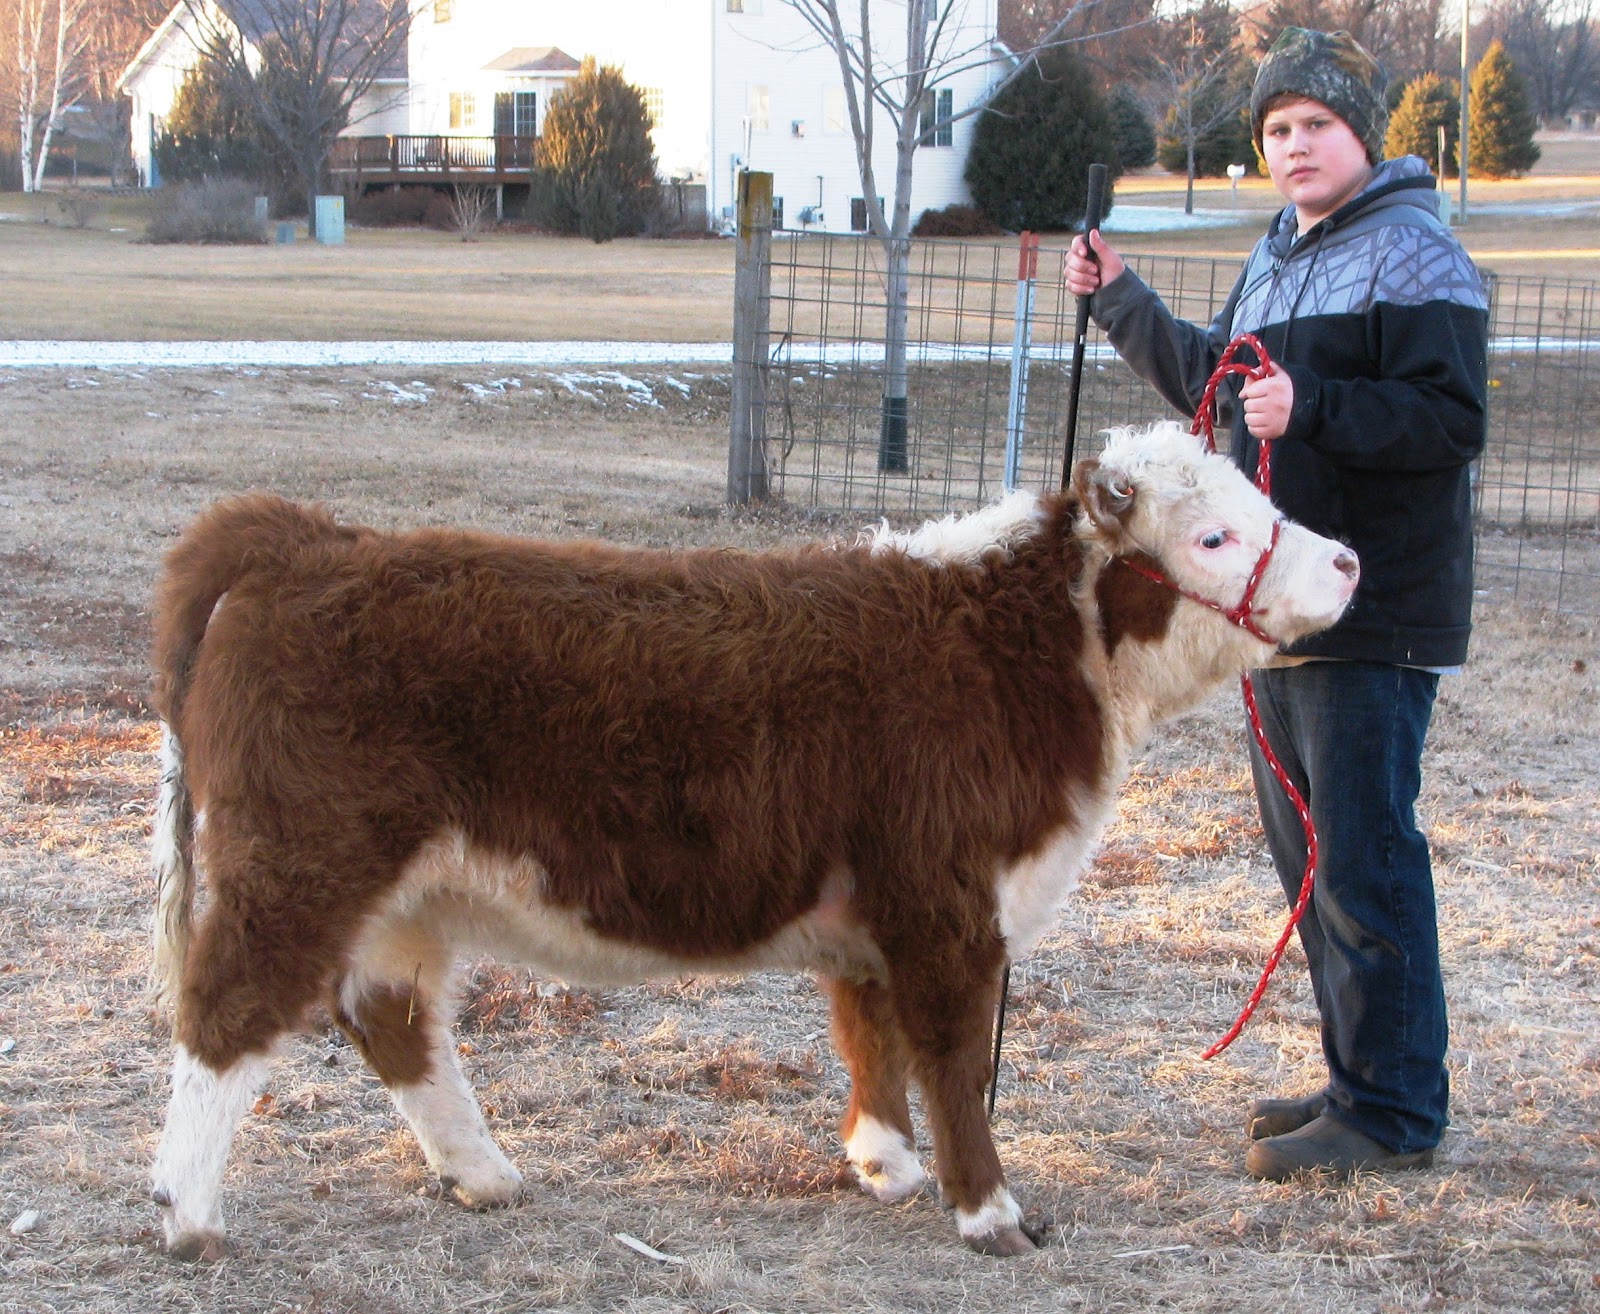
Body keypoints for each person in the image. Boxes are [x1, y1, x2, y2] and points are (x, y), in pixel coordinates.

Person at [1063, 27, 1489, 1180]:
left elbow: (1452, 423)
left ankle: (1393, 1111)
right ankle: (1360, 1074)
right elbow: (1217, 389)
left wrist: (1318, 411)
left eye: (1317, 125)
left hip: (1371, 607)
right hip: (1274, 613)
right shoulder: (1281, 255)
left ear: (1363, 133)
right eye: (1277, 131)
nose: (1296, 146)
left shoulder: (1414, 254)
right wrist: (1120, 300)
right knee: (1308, 859)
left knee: (1362, 859)